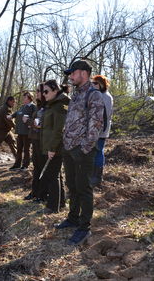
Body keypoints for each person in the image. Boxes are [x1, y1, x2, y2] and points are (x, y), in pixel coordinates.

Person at [55, 60, 105, 245]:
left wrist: (85, 148)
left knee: (83, 188)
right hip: (69, 148)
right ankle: (73, 218)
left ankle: (84, 228)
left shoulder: (94, 95)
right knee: (72, 185)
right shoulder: (76, 95)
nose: (70, 76)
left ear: (83, 73)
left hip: (83, 150)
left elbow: (96, 124)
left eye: (72, 73)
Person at [36, 80, 69, 213]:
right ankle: (60, 203)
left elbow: (59, 130)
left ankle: (52, 207)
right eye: (42, 91)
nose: (44, 94)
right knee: (56, 175)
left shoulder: (60, 105)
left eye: (46, 91)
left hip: (55, 147)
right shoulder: (52, 104)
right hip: (51, 146)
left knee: (52, 176)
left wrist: (52, 148)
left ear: (55, 90)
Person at [24, 84, 47, 202]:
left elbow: (41, 124)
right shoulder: (39, 106)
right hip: (35, 139)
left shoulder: (47, 106)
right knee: (36, 167)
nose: (36, 93)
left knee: (42, 168)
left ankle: (42, 195)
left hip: (42, 141)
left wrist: (28, 121)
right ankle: (34, 192)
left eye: (38, 91)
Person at [90, 75, 113, 187]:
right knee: (93, 152)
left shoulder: (106, 97)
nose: (93, 85)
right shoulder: (97, 95)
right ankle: (92, 175)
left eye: (95, 83)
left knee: (98, 152)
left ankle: (97, 177)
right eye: (92, 83)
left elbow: (105, 115)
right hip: (94, 129)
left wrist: (98, 129)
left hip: (101, 131)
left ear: (101, 84)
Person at [8, 92, 36, 170]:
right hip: (19, 131)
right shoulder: (22, 107)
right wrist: (11, 116)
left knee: (26, 149)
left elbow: (36, 118)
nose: (23, 99)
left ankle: (25, 165)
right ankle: (17, 164)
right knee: (19, 149)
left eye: (25, 97)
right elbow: (18, 113)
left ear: (30, 98)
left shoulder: (33, 107)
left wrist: (30, 122)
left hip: (27, 132)